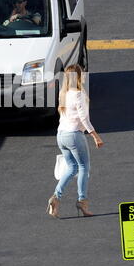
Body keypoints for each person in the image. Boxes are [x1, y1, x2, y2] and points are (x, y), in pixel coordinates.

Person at [46, 64, 104, 218]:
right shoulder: (78, 94)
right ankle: (82, 201)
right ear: (79, 77)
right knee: (84, 167)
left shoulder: (63, 93)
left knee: (71, 167)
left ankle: (56, 197)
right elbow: (84, 118)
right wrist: (95, 136)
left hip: (61, 135)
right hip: (74, 135)